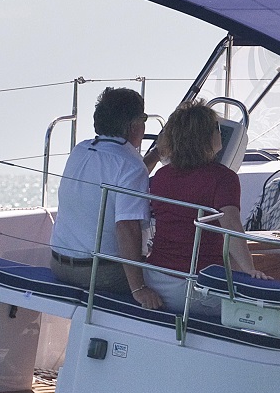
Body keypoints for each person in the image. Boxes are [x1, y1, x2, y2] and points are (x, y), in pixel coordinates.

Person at [142, 100, 259, 321]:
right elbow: (231, 227)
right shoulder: (223, 178)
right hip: (195, 289)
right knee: (266, 306)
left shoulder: (161, 177)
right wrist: (250, 271)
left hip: (155, 279)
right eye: (216, 128)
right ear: (206, 137)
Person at [49, 87, 161, 309]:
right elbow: (126, 228)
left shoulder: (80, 150)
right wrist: (139, 290)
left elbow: (123, 176)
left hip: (59, 264)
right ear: (134, 125)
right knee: (172, 281)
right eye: (144, 118)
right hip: (99, 273)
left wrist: (156, 154)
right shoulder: (130, 166)